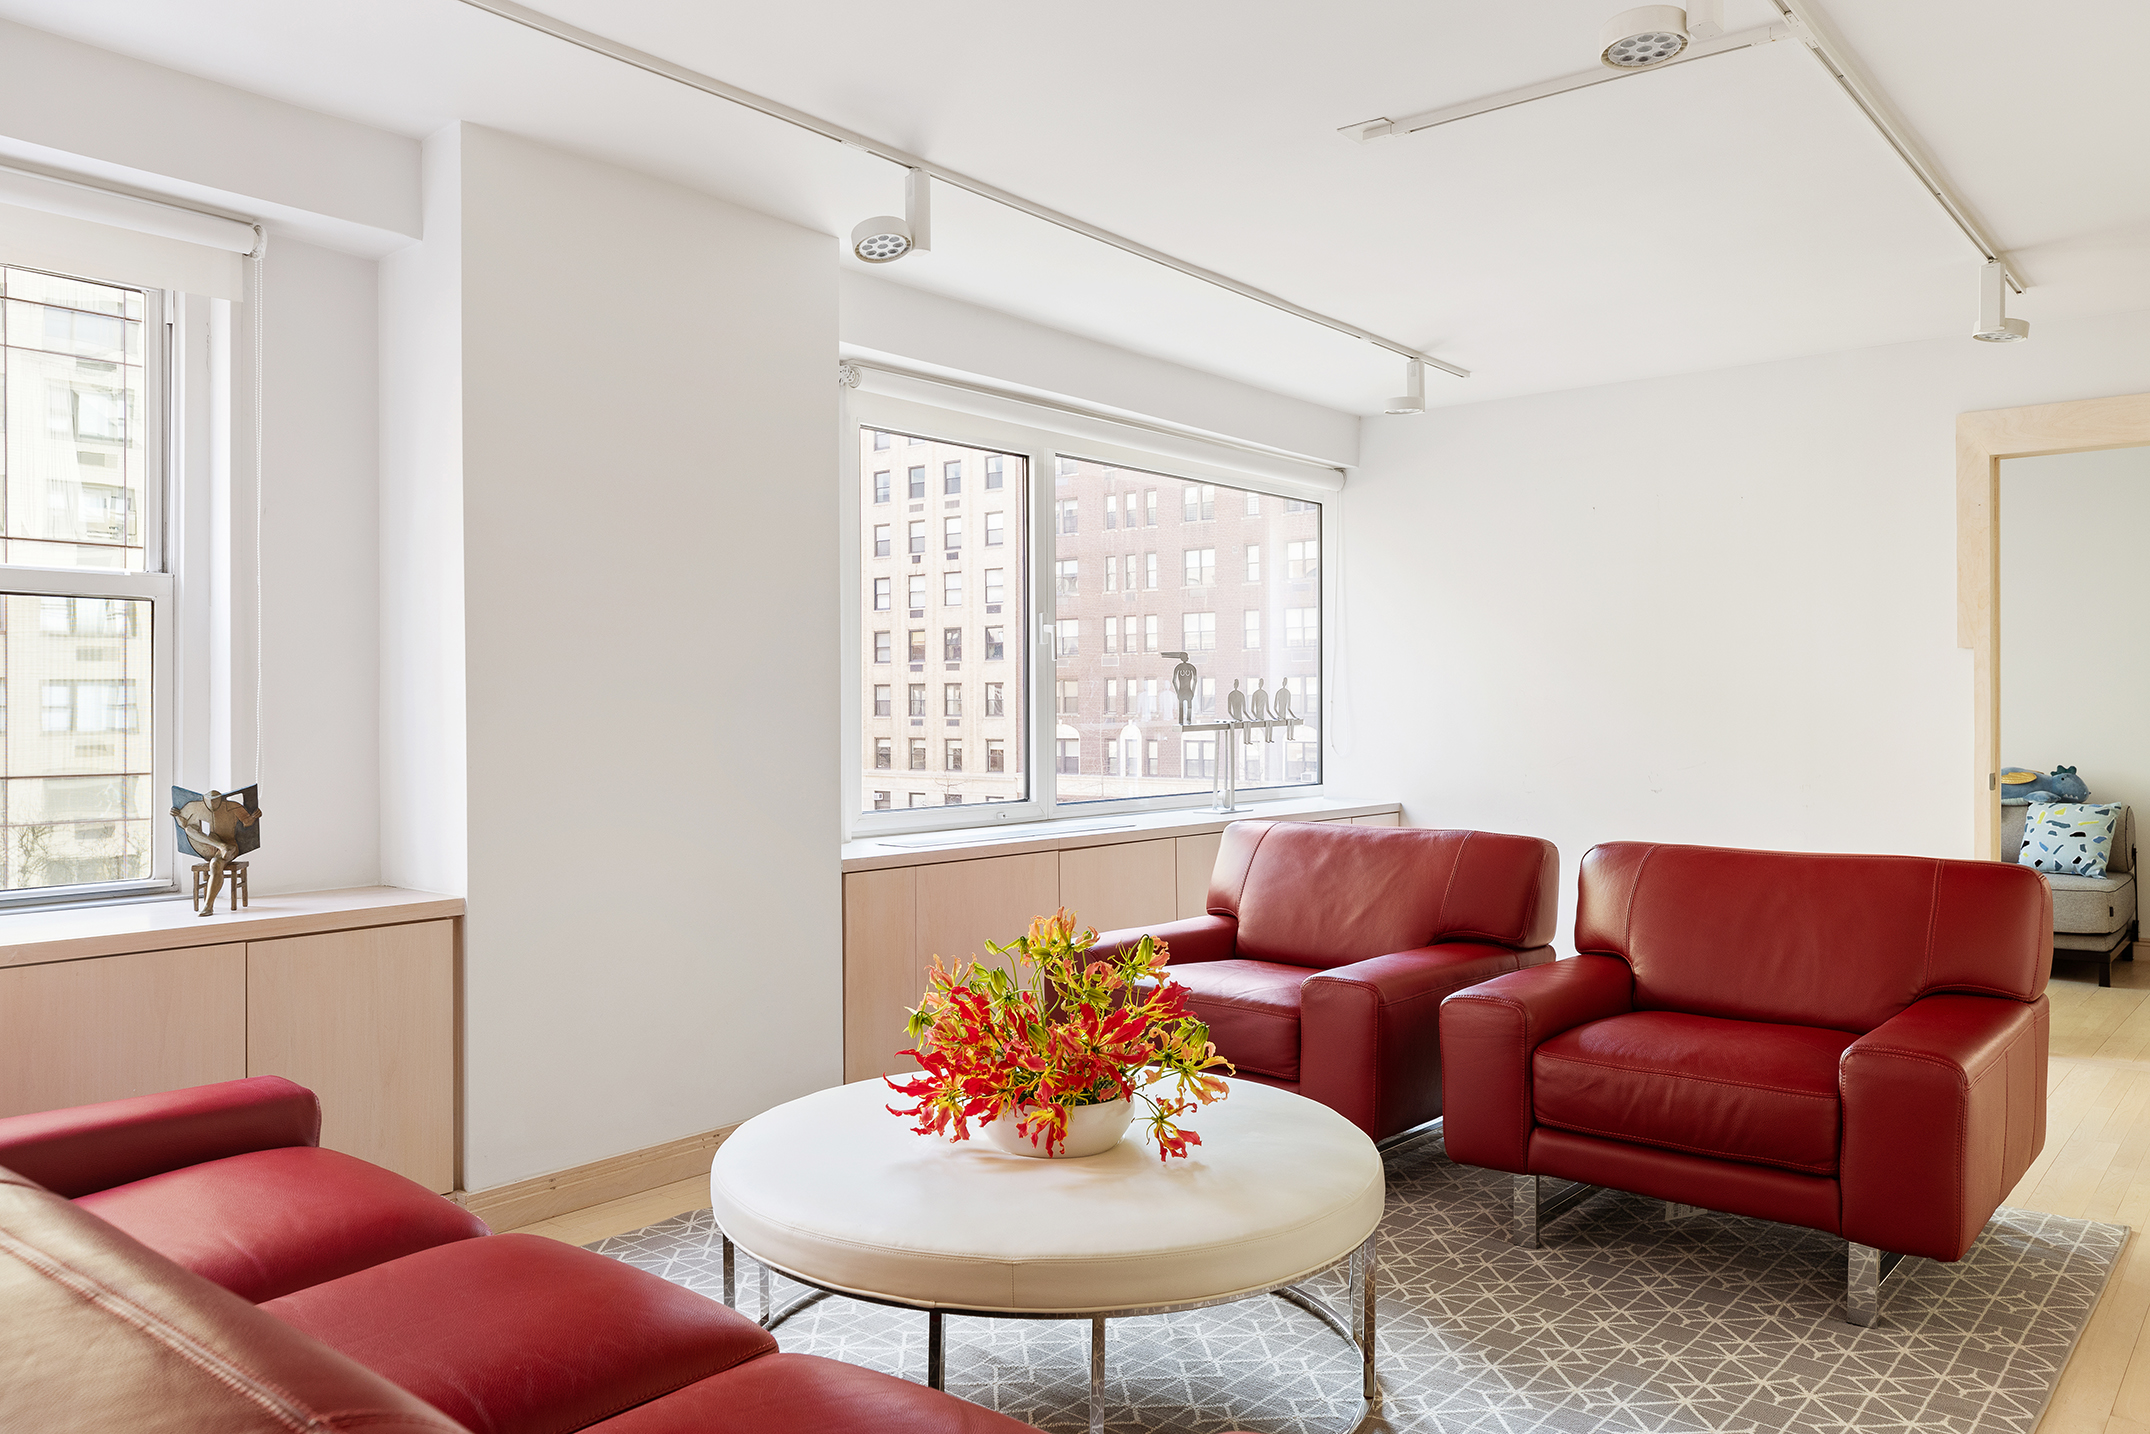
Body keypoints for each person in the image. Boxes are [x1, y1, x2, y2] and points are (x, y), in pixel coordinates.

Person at [171, 790, 263, 916]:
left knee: (215, 864)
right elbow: (183, 825)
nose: (212, 803)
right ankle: (221, 845)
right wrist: (176, 815)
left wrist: (254, 817)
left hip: (230, 846)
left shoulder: (232, 806)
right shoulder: (193, 806)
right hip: (206, 846)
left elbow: (247, 822)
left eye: (216, 800)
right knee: (189, 829)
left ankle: (208, 906)